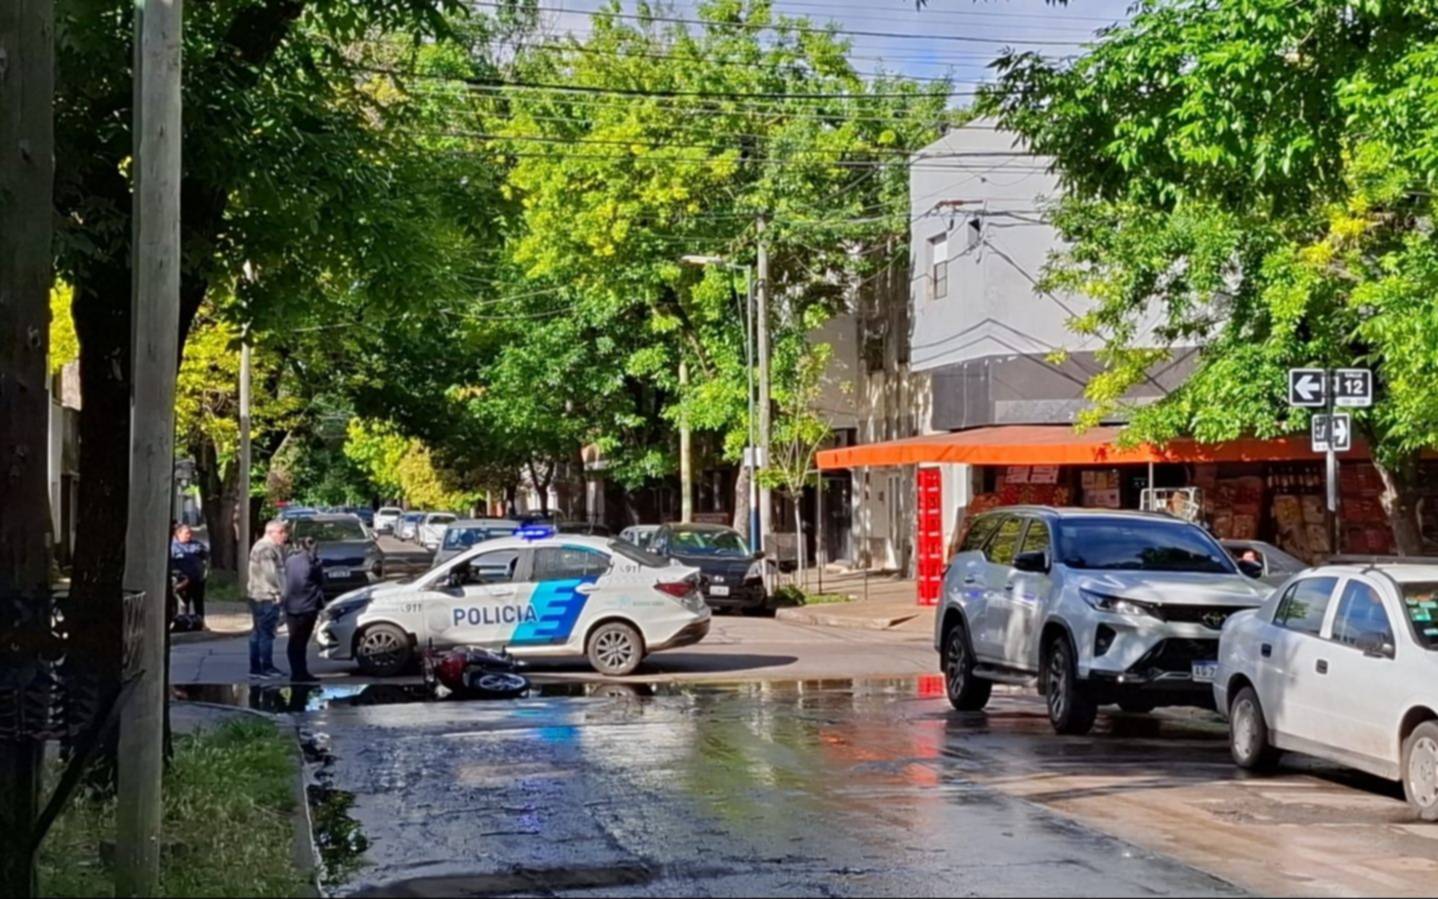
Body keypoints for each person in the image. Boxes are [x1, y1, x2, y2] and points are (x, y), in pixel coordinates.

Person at [247, 519, 289, 679]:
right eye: (281, 532)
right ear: (271, 532)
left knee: (257, 632)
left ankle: (255, 668)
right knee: (266, 633)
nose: (284, 536)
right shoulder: (266, 548)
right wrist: (277, 591)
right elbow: (270, 573)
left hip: (258, 594)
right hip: (266, 596)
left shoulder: (264, 546)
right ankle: (266, 667)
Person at [283, 536, 325, 683]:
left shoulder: (290, 560)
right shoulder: (314, 563)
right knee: (301, 643)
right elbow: (320, 581)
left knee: (293, 641)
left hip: (291, 606)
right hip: (307, 607)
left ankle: (297, 672)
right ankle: (301, 673)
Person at [169, 522, 209, 628]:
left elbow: (205, 556)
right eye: (186, 533)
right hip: (182, 582)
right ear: (178, 534)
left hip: (197, 580)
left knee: (198, 603)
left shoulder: (196, 545)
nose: (189, 535)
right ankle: (183, 623)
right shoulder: (172, 547)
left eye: (190, 533)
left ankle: (201, 623)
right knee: (183, 604)